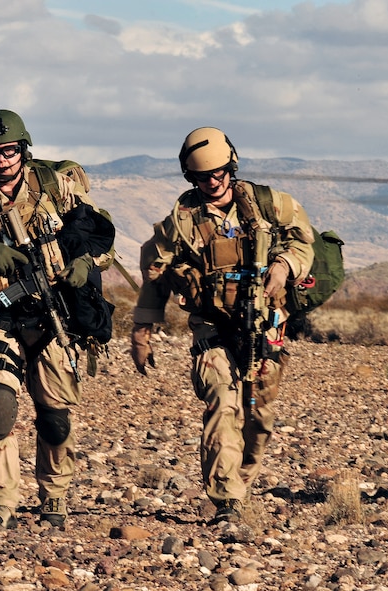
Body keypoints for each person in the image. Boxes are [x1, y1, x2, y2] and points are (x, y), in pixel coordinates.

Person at [0, 109, 114, 531]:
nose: (3, 161)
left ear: (23, 150)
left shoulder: (56, 188)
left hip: (54, 315)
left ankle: (55, 495)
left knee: (54, 415)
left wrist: (86, 264)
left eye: (10, 151)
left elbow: (101, 237)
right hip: (0, 312)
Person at [130, 127, 315, 522]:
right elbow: (154, 271)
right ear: (190, 177)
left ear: (232, 167)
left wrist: (285, 266)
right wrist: (142, 330)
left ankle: (241, 480)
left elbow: (305, 243)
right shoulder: (181, 221)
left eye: (219, 173)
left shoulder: (270, 205)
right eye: (202, 177)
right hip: (211, 327)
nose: (213, 182)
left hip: (265, 326)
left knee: (258, 417)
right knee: (221, 401)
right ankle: (227, 499)